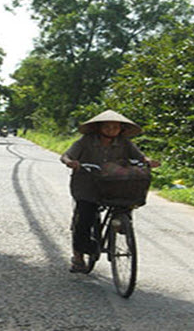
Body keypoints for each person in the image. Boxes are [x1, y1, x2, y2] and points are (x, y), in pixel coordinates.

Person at [59, 110, 160, 273]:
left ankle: (122, 224)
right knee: (84, 218)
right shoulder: (86, 141)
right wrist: (71, 162)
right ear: (99, 128)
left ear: (121, 129)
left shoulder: (125, 143)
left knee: (127, 202)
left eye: (115, 127)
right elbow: (66, 156)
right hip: (87, 185)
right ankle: (78, 257)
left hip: (113, 184)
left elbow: (141, 157)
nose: (111, 130)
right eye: (107, 126)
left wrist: (148, 161)